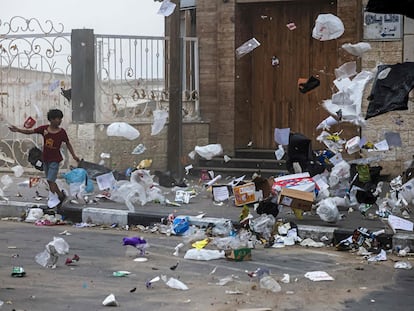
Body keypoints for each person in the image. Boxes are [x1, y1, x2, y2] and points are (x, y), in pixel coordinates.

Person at [9, 109, 80, 207]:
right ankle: (59, 196)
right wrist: (17, 130)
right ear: (51, 119)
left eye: (60, 119)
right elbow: (30, 132)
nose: (59, 121)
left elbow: (68, 144)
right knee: (50, 181)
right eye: (56, 119)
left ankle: (59, 198)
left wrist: (74, 155)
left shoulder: (62, 132)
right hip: (45, 159)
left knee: (50, 180)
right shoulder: (44, 129)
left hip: (55, 160)